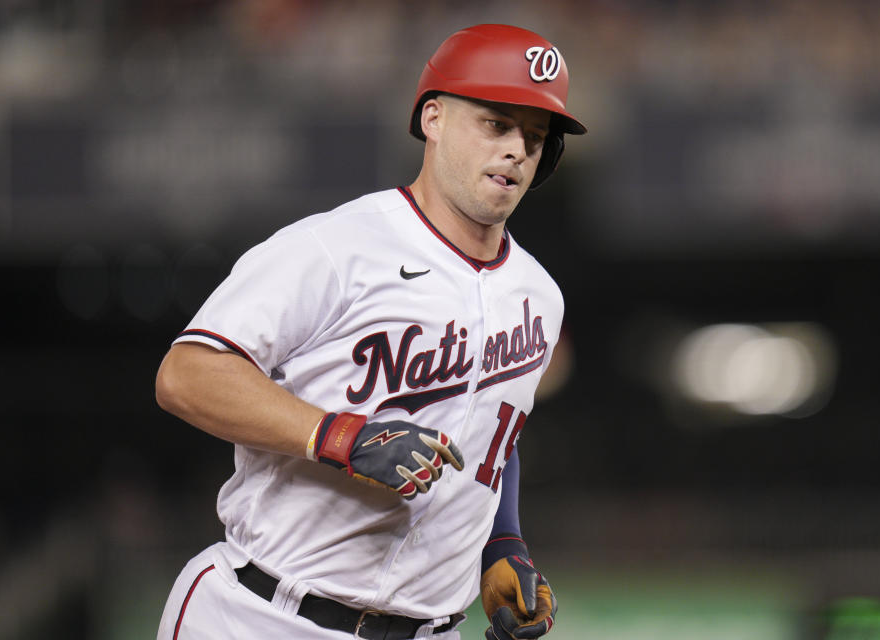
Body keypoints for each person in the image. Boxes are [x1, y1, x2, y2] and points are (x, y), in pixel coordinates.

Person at [154, 23, 586, 640]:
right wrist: (335, 435)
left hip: (431, 628)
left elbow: (495, 422)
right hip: (262, 613)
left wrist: (504, 542)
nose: (517, 148)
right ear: (432, 119)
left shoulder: (539, 297)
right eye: (495, 124)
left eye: (535, 136)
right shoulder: (335, 247)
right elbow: (186, 374)